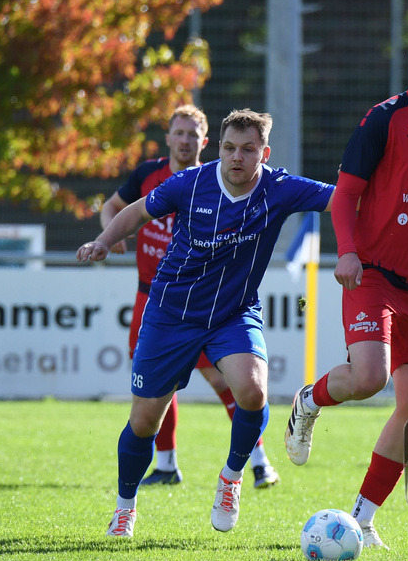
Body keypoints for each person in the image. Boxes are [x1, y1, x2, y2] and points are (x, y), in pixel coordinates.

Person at [78, 109, 334, 538]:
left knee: (252, 391)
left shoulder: (280, 188)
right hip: (170, 314)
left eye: (248, 149)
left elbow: (343, 195)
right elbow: (137, 212)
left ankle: (232, 478)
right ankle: (125, 507)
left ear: (263, 153)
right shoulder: (189, 183)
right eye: (229, 147)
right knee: (144, 422)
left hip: (233, 314)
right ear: (218, 149)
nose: (237, 157)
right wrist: (103, 241)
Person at [283, 20, 408, 550]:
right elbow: (344, 194)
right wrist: (347, 253)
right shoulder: (385, 118)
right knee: (370, 377)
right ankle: (309, 399)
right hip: (371, 270)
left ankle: (364, 519)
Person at [100, 105, 280, 489]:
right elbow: (114, 208)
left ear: (205, 142)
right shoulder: (149, 174)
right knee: (155, 391)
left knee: (228, 382)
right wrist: (109, 236)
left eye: (191, 134)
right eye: (177, 133)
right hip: (153, 301)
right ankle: (166, 465)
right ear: (167, 137)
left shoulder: (214, 181)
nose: (184, 140)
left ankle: (258, 461)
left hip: (207, 303)